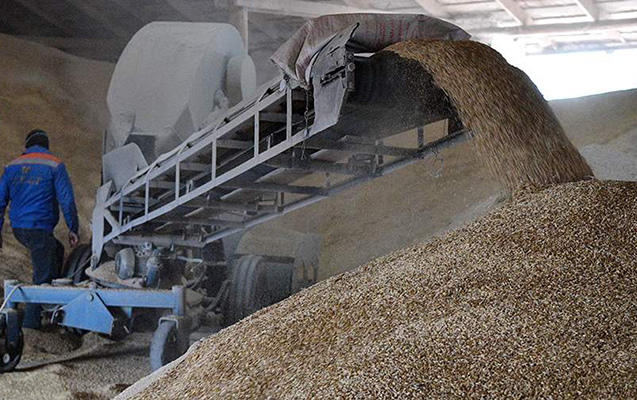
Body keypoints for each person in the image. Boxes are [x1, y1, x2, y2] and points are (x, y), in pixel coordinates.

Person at [0, 129, 80, 329]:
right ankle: (31, 325)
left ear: (26, 146)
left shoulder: (12, 166)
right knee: (41, 275)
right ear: (46, 145)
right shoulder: (54, 164)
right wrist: (73, 228)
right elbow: (67, 201)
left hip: (20, 229)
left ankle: (49, 304)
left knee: (57, 250)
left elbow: (0, 202)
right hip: (39, 228)